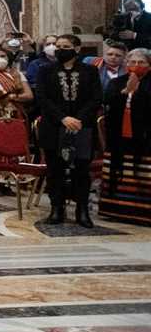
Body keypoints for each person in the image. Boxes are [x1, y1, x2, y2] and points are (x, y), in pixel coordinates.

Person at [36, 34, 103, 227]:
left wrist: (79, 119)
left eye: (65, 46)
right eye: (57, 46)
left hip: (82, 127)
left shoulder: (90, 71)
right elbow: (42, 98)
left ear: (77, 49)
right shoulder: (45, 70)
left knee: (82, 170)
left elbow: (96, 98)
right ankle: (57, 208)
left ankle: (82, 210)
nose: (59, 49)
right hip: (54, 126)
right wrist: (63, 118)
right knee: (55, 169)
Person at [99, 47, 151, 226]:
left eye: (141, 62)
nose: (136, 65)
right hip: (118, 136)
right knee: (119, 170)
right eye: (132, 62)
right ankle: (116, 210)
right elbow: (107, 102)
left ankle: (144, 212)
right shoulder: (117, 82)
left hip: (145, 137)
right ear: (126, 64)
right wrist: (125, 91)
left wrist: (138, 91)